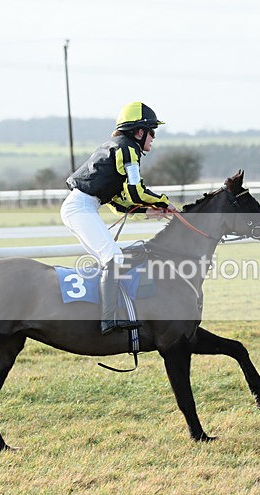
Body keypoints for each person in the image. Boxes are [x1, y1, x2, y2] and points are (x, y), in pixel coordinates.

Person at [62, 101, 177, 335]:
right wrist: (163, 201)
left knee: (110, 258)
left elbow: (118, 202)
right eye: (151, 131)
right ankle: (108, 320)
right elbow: (136, 191)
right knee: (113, 257)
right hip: (80, 208)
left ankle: (104, 313)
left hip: (83, 206)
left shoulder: (121, 148)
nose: (153, 138)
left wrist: (148, 212)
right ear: (139, 131)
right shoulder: (128, 150)